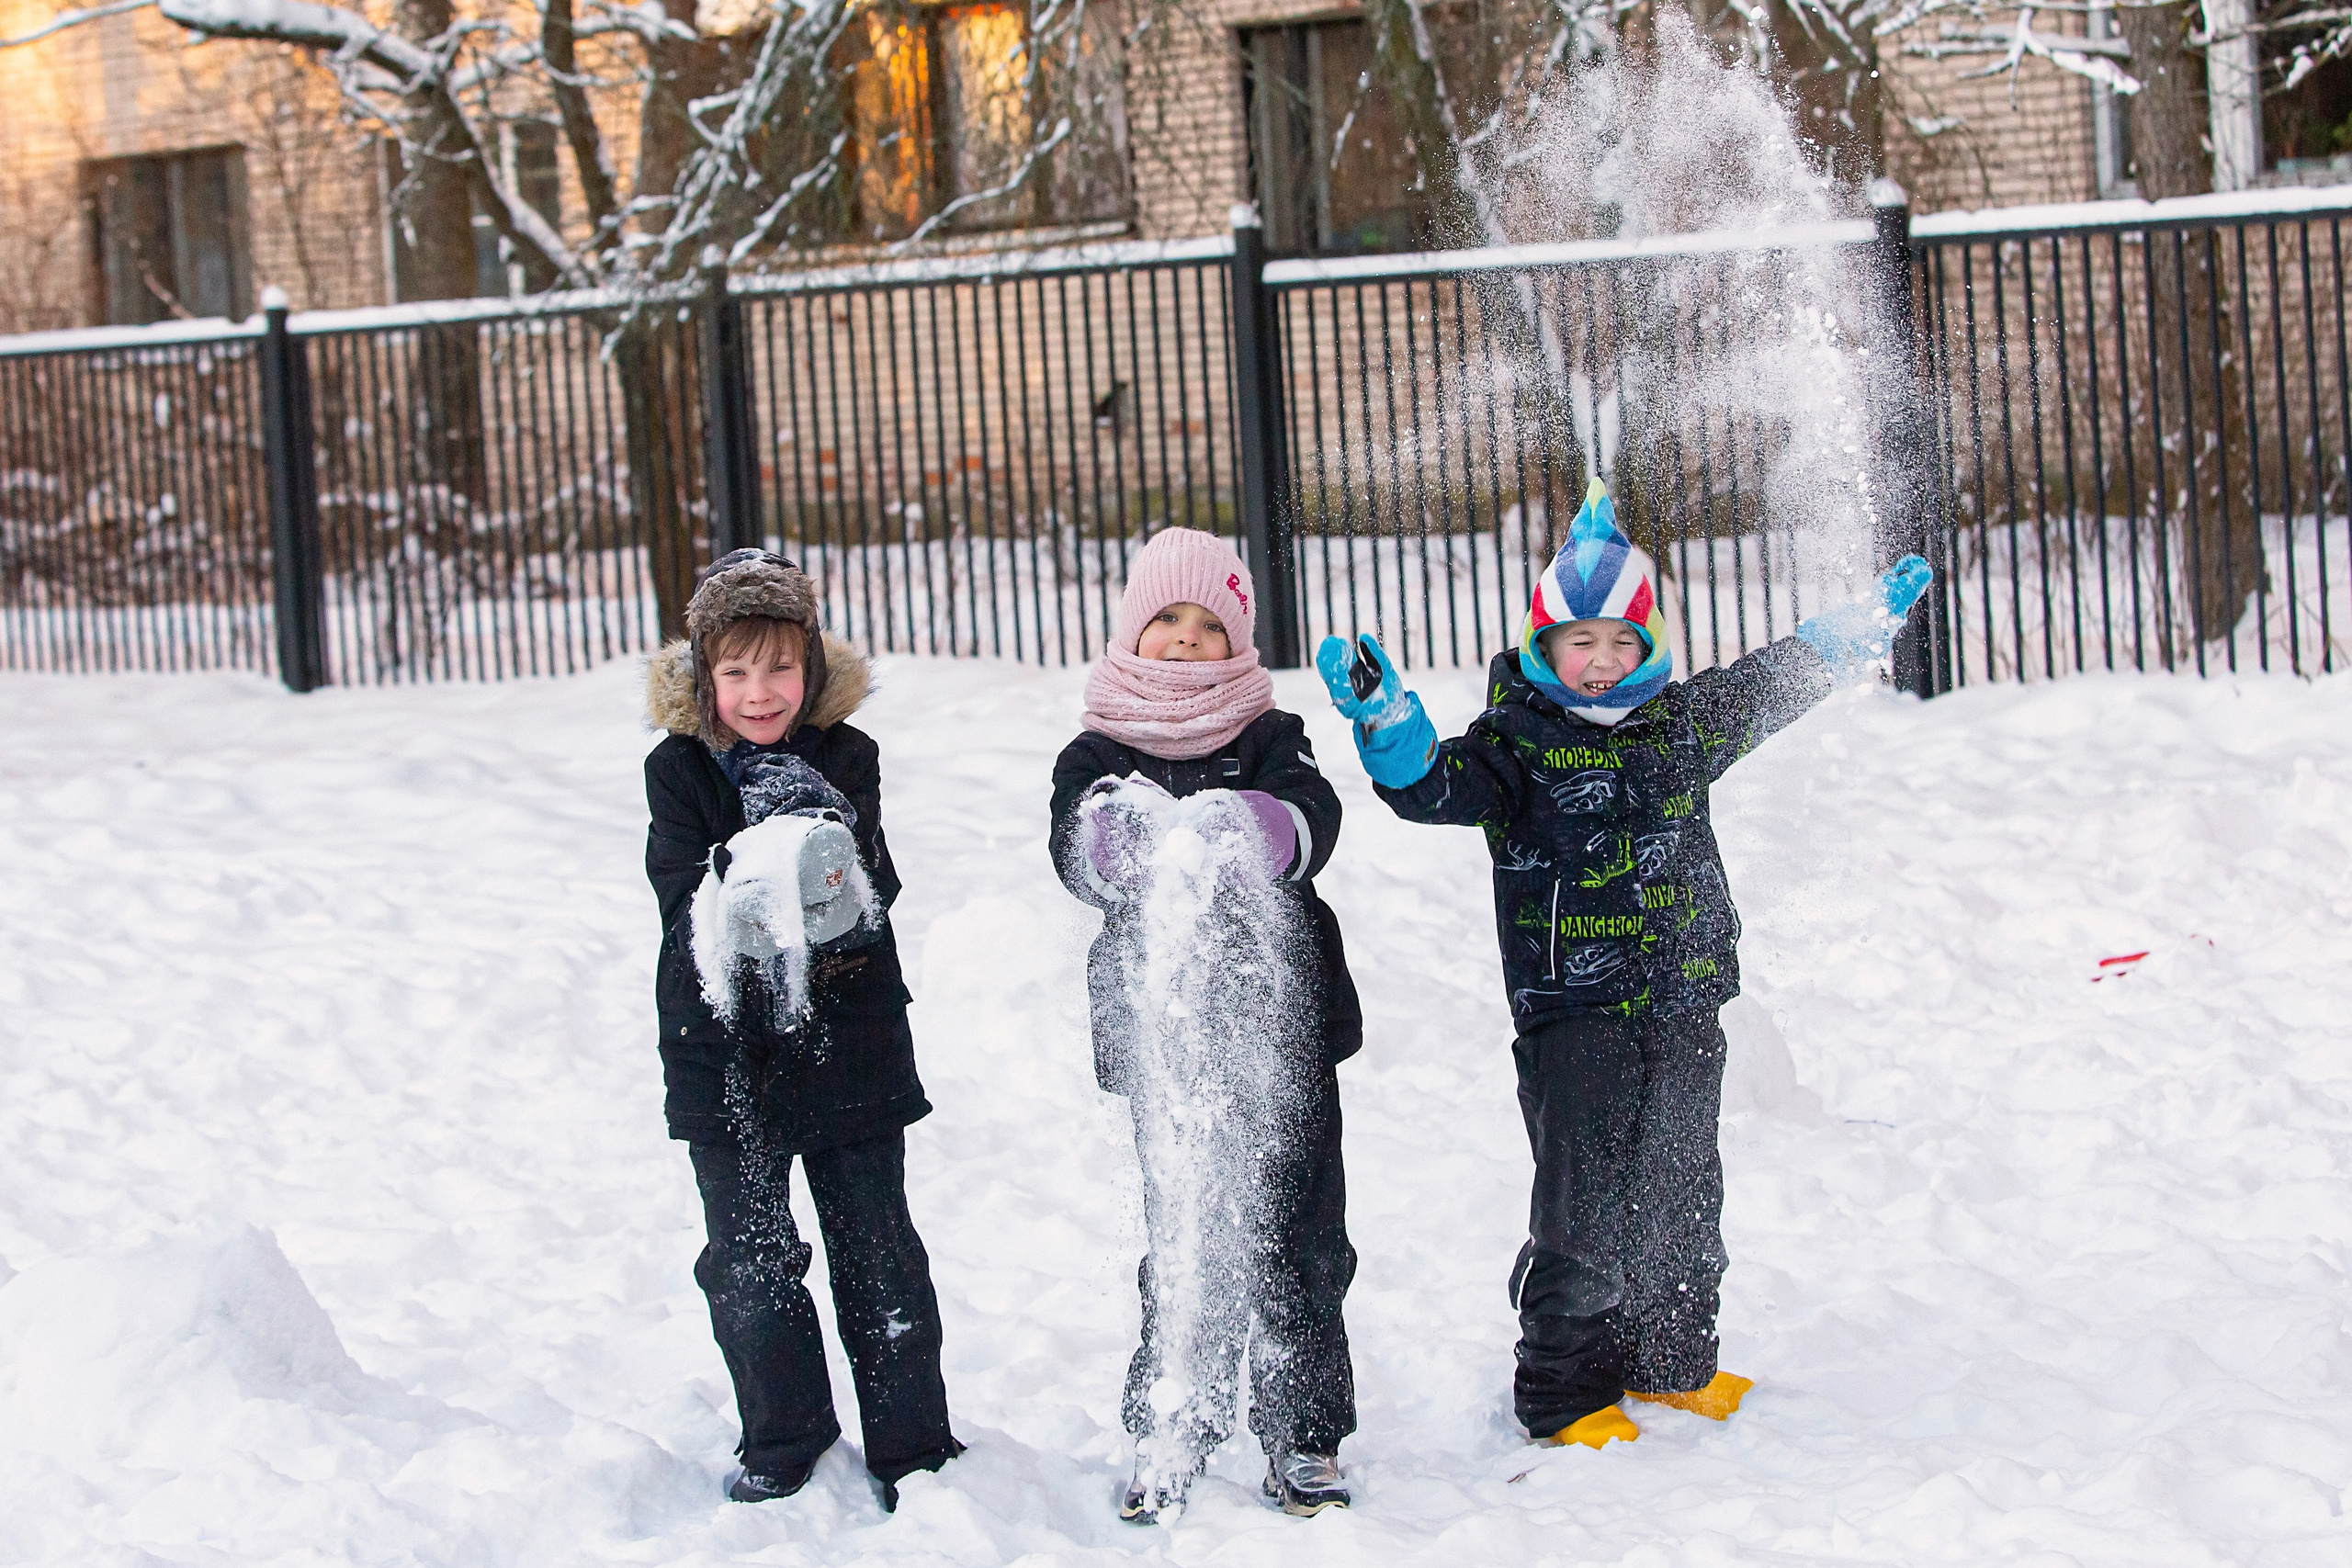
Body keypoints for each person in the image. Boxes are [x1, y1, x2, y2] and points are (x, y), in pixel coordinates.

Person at [1318, 479, 1929, 1451]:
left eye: (1621, 643)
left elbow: (1771, 682)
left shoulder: (1681, 726)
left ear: (1649, 647)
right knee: (1585, 1198)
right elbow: (1431, 787)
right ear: (1542, 644)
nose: (1600, 663)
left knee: (1685, 1183)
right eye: (1579, 642)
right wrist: (1388, 721)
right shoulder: (1515, 744)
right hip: (1575, 1012)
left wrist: (1857, 628)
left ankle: (1671, 1358)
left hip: (1684, 997)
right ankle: (1561, 1390)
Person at [1046, 527, 1363, 1523]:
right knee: (1183, 1231)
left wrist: (1260, 827)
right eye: (1167, 619)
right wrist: (1110, 839)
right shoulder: (1100, 747)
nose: (1186, 640)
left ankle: (1304, 1430)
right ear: (1134, 626)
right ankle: (1174, 1416)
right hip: (1170, 1048)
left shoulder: (1267, 734)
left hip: (1283, 1039)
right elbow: (1074, 841)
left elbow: (1314, 813)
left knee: (1301, 1233)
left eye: (1208, 624)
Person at [643, 548, 959, 1510]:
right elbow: (681, 898)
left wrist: (824, 847)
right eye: (734, 671)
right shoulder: (679, 770)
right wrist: (749, 862)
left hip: (847, 1039)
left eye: (778, 667)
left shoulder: (845, 757)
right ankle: (784, 1432)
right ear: (703, 678)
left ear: (812, 669)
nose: (758, 691)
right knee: (747, 1260)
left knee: (877, 1247)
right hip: (722, 1050)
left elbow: (873, 889)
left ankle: (911, 1441)